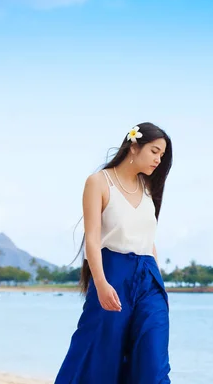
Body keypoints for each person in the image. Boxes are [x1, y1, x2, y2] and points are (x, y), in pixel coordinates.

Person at [55, 122, 173, 384]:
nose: (158, 159)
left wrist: (159, 283)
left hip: (149, 280)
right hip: (112, 275)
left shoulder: (149, 188)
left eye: (162, 155)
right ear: (134, 146)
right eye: (154, 151)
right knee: (100, 356)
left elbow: (149, 239)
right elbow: (93, 239)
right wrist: (100, 282)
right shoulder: (99, 182)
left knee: (153, 361)